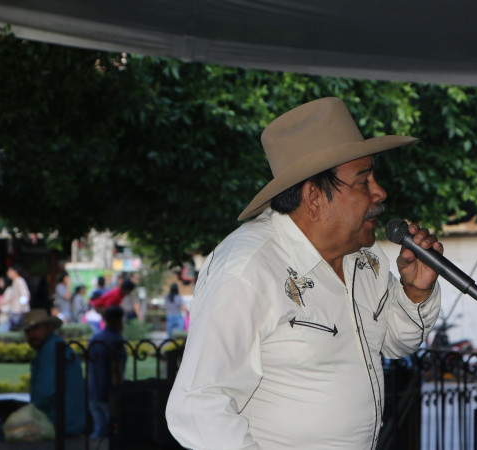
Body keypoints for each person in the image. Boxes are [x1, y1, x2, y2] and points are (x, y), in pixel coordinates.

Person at [165, 97, 442, 449]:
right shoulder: (249, 268)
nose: (380, 192)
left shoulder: (364, 256)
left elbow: (394, 342)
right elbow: (198, 405)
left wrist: (415, 292)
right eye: (363, 180)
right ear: (314, 196)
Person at [0, 309, 86, 440]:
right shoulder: (54, 346)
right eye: (27, 331)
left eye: (35, 329)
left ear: (49, 328)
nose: (31, 335)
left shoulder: (51, 349)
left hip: (57, 425)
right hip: (66, 423)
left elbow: (44, 394)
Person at [87, 305, 127, 438]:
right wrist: (118, 391)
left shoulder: (96, 338)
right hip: (109, 393)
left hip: (94, 391)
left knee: (99, 433)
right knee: (112, 436)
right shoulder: (116, 340)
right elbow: (116, 369)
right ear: (118, 321)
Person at [4, 264, 31, 330]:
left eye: (9, 271)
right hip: (16, 312)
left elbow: (26, 295)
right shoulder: (15, 282)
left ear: (15, 271)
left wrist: (21, 307)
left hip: (19, 313)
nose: (7, 273)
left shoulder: (19, 281)